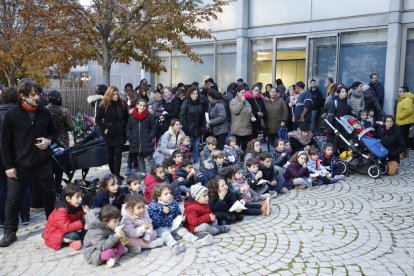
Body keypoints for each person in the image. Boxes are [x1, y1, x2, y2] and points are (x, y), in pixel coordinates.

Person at [0, 80, 56, 247]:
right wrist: (8, 166)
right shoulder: (12, 115)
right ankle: (10, 232)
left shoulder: (45, 113)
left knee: (49, 194)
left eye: (38, 94)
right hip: (19, 165)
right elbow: (5, 143)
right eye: (32, 95)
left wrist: (49, 140)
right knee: (13, 199)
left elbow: (54, 132)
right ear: (23, 96)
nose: (37, 98)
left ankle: (53, 225)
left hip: (42, 162)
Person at [147, 183, 213, 255]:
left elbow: (177, 213)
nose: (169, 195)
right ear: (159, 197)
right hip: (160, 227)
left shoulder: (173, 203)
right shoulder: (153, 206)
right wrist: (163, 213)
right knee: (166, 234)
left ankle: (195, 240)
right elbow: (153, 222)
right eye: (166, 194)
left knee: (182, 230)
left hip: (172, 225)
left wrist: (181, 218)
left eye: (170, 193)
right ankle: (174, 245)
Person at [0, 87, 31, 228]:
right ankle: (24, 215)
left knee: (3, 187)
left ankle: (3, 218)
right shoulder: (22, 114)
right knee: (24, 186)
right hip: (20, 154)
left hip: (2, 155)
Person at [96, 86, 129, 181]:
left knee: (118, 155)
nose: (116, 96)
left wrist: (125, 129)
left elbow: (127, 118)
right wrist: (104, 128)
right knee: (110, 156)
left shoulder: (122, 104)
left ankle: (117, 175)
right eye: (114, 94)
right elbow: (98, 119)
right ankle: (113, 174)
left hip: (120, 134)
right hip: (109, 135)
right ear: (109, 95)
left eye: (117, 94)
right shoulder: (104, 105)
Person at [43, 184, 88, 251]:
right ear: (68, 199)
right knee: (75, 235)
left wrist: (86, 213)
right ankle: (69, 240)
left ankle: (74, 241)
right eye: (77, 197)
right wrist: (83, 221)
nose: (80, 199)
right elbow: (66, 228)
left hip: (71, 229)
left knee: (87, 231)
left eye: (81, 196)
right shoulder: (61, 210)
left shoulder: (77, 205)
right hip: (56, 233)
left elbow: (81, 218)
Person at [47, 90, 73, 193]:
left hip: (49, 141)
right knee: (60, 165)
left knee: (50, 164)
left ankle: (51, 186)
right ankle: (57, 186)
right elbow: (71, 127)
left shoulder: (45, 110)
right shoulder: (64, 111)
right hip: (63, 141)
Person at [126, 99, 156, 174]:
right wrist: (130, 137)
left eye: (144, 106)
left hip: (146, 140)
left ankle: (156, 172)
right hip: (135, 140)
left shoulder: (149, 116)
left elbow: (154, 127)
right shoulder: (132, 117)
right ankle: (143, 173)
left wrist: (150, 137)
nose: (142, 107)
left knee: (150, 158)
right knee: (140, 158)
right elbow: (128, 128)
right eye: (140, 105)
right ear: (137, 105)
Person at [179, 86, 206, 163]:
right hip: (189, 130)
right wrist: (186, 128)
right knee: (187, 147)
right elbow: (182, 116)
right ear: (190, 94)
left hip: (198, 129)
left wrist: (203, 127)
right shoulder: (186, 103)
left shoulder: (201, 103)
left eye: (196, 93)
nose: (195, 95)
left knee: (196, 147)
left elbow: (203, 117)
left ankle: (195, 162)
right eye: (193, 93)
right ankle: (187, 163)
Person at [230, 87, 254, 152]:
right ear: (237, 93)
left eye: (244, 93)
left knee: (245, 146)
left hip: (246, 127)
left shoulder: (247, 101)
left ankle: (243, 159)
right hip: (238, 128)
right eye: (242, 93)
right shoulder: (233, 101)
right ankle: (236, 159)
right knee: (236, 146)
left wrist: (252, 116)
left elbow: (250, 110)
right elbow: (235, 111)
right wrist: (242, 102)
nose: (243, 94)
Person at [395, 86, 414, 157]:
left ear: (405, 92)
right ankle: (405, 153)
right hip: (403, 122)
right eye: (398, 91)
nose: (398, 93)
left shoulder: (407, 99)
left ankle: (402, 154)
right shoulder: (403, 99)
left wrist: (400, 116)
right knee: (404, 138)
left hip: (404, 122)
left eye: (400, 91)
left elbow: (409, 110)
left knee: (402, 139)